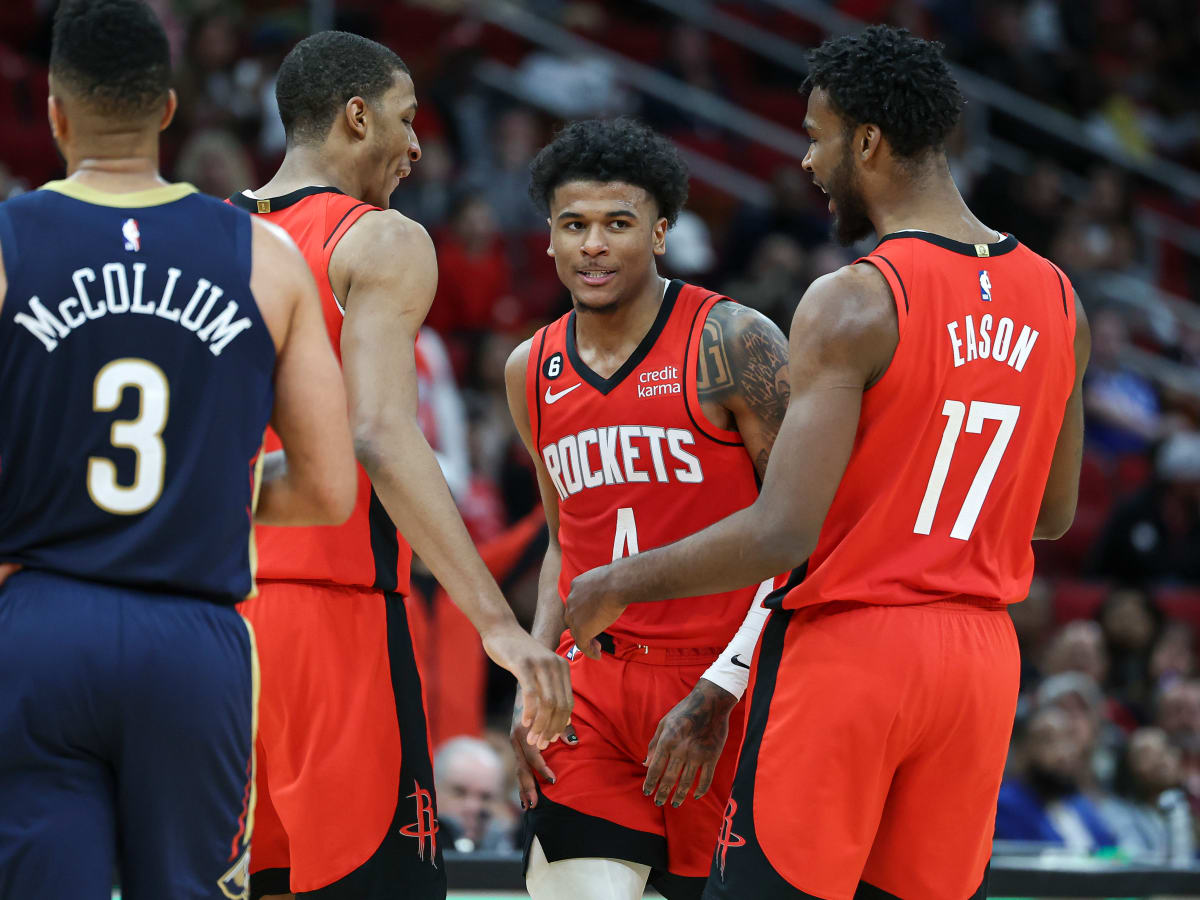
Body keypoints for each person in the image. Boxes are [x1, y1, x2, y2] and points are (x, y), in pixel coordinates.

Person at [565, 26, 1091, 900]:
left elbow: (782, 532)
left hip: (857, 649)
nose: (808, 161)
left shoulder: (855, 298)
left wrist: (620, 580)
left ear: (868, 142)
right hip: (981, 662)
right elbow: (1052, 514)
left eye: (817, 137)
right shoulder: (1061, 298)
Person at [0, 1, 357, 898]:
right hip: (193, 637)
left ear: (56, 112)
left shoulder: (6, 245)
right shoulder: (263, 256)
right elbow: (328, 486)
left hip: (40, 624)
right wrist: (200, 488)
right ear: (168, 109)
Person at [227, 31, 572, 900]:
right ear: (357, 116)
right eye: (406, 118)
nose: (417, 145)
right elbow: (380, 434)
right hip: (334, 619)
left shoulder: (200, 238)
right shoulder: (379, 238)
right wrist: (496, 623)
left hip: (212, 623)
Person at [506, 118, 789, 900]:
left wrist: (723, 690)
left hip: (725, 684)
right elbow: (563, 542)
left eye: (618, 224)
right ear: (550, 238)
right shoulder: (531, 367)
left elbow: (804, 533)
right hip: (592, 691)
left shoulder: (734, 342)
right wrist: (535, 674)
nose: (593, 245)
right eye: (574, 225)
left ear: (660, 232)